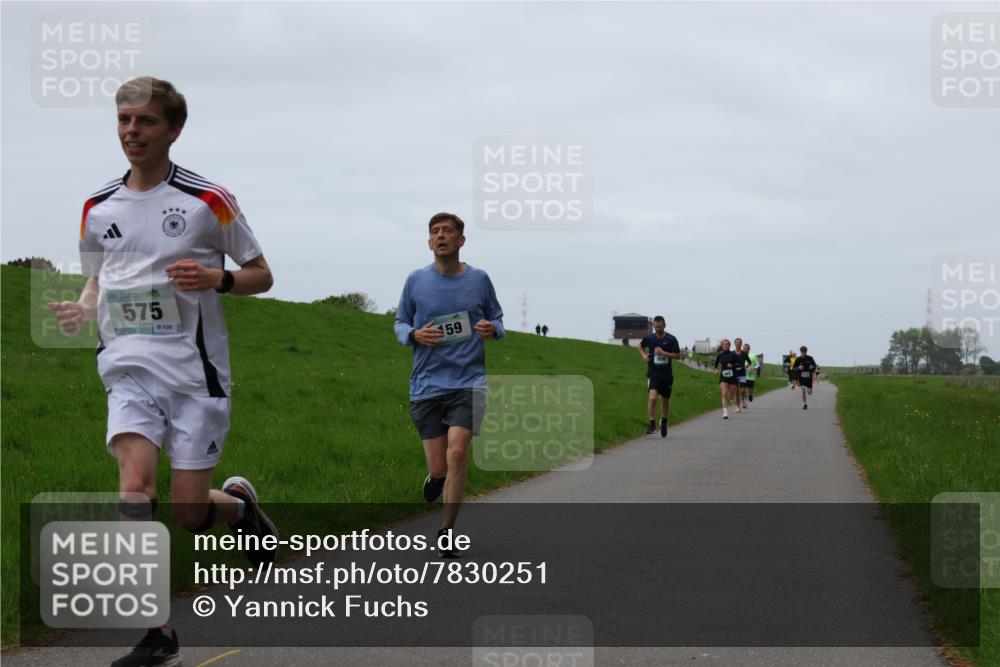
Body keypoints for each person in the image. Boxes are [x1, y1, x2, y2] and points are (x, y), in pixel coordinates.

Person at [46, 77, 277, 667]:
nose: (131, 132)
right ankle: (157, 634)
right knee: (134, 493)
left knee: (189, 512)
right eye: (124, 121)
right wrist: (84, 307)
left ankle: (241, 506)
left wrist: (217, 279)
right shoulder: (97, 208)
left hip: (194, 376)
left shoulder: (209, 200)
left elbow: (261, 273)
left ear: (173, 129)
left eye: (145, 122)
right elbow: (101, 277)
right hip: (127, 370)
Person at [394, 212, 504, 557]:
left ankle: (447, 531)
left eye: (448, 231)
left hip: (469, 381)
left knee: (458, 452)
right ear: (429, 242)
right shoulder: (415, 281)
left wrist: (492, 329)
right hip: (427, 384)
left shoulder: (480, 279)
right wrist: (414, 334)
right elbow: (399, 323)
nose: (441, 236)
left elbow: (497, 319)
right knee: (439, 466)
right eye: (435, 232)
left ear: (460, 240)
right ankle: (435, 478)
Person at [638, 315, 683, 437]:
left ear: (664, 325)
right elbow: (640, 346)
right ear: (653, 326)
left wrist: (664, 353)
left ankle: (664, 421)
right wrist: (644, 356)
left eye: (660, 326)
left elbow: (678, 356)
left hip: (667, 375)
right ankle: (652, 424)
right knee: (652, 398)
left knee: (665, 401)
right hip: (653, 373)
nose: (658, 329)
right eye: (656, 326)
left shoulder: (671, 339)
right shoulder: (649, 338)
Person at [713, 339, 741, 419]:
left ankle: (733, 400)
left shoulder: (733, 354)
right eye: (724, 344)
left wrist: (732, 365)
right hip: (723, 376)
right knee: (724, 393)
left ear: (729, 345)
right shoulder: (720, 355)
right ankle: (725, 413)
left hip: (732, 377)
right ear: (722, 346)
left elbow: (739, 364)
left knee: (731, 396)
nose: (725, 345)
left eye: (727, 344)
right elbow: (715, 365)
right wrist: (715, 370)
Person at [732, 337, 749, 408]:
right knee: (736, 389)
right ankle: (738, 405)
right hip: (735, 373)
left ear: (741, 344)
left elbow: (749, 362)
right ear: (735, 344)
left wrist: (746, 366)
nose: (738, 344)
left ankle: (742, 398)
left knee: (743, 389)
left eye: (739, 342)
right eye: (737, 342)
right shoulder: (732, 353)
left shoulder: (744, 353)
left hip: (742, 373)